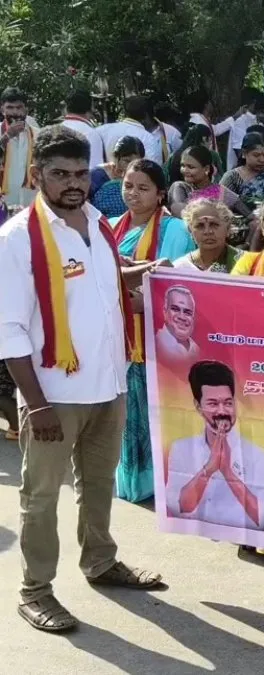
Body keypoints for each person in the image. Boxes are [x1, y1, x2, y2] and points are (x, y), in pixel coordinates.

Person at [0, 125, 164, 633]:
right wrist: (37, 405)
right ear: (36, 175)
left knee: (98, 484)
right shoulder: (17, 239)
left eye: (79, 173)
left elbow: (104, 284)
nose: (73, 183)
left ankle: (100, 561)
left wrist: (159, 271)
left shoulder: (98, 222)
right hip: (54, 395)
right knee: (41, 496)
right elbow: (8, 330)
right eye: (60, 174)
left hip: (109, 383)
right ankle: (35, 591)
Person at [112, 159, 197, 503]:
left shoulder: (175, 230)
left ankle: (165, 484)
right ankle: (133, 480)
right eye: (128, 186)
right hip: (120, 336)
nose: (133, 194)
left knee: (159, 412)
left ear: (160, 193)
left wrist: (137, 300)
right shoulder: (112, 226)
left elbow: (175, 284)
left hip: (158, 338)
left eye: (143, 188)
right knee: (125, 413)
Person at [165, 360, 264, 533]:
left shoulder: (259, 456)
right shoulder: (181, 448)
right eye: (213, 404)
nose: (222, 411)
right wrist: (208, 470)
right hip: (198, 541)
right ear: (198, 406)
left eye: (228, 403)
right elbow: (176, 506)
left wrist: (229, 473)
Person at [166, 145, 251, 220]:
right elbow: (181, 214)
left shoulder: (221, 191)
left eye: (191, 167)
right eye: (183, 166)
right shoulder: (180, 187)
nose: (185, 170)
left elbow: (249, 215)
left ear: (206, 169)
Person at [174, 199, 244, 272]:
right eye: (200, 225)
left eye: (214, 224)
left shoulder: (247, 264)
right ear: (190, 230)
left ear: (228, 228)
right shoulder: (180, 268)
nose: (207, 231)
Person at [90, 136, 145, 219]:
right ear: (116, 157)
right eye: (127, 161)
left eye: (136, 162)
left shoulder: (141, 177)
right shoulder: (97, 175)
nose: (131, 165)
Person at [97, 96, 154, 168]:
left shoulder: (101, 130)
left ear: (125, 113)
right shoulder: (148, 138)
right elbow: (152, 170)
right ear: (147, 115)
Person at [60, 90, 104, 169]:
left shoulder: (55, 131)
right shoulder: (90, 134)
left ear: (66, 109)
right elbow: (95, 169)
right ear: (91, 108)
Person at [155, 286, 199, 363]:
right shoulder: (155, 342)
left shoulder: (196, 350)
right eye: (175, 309)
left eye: (187, 312)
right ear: (165, 311)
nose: (182, 317)